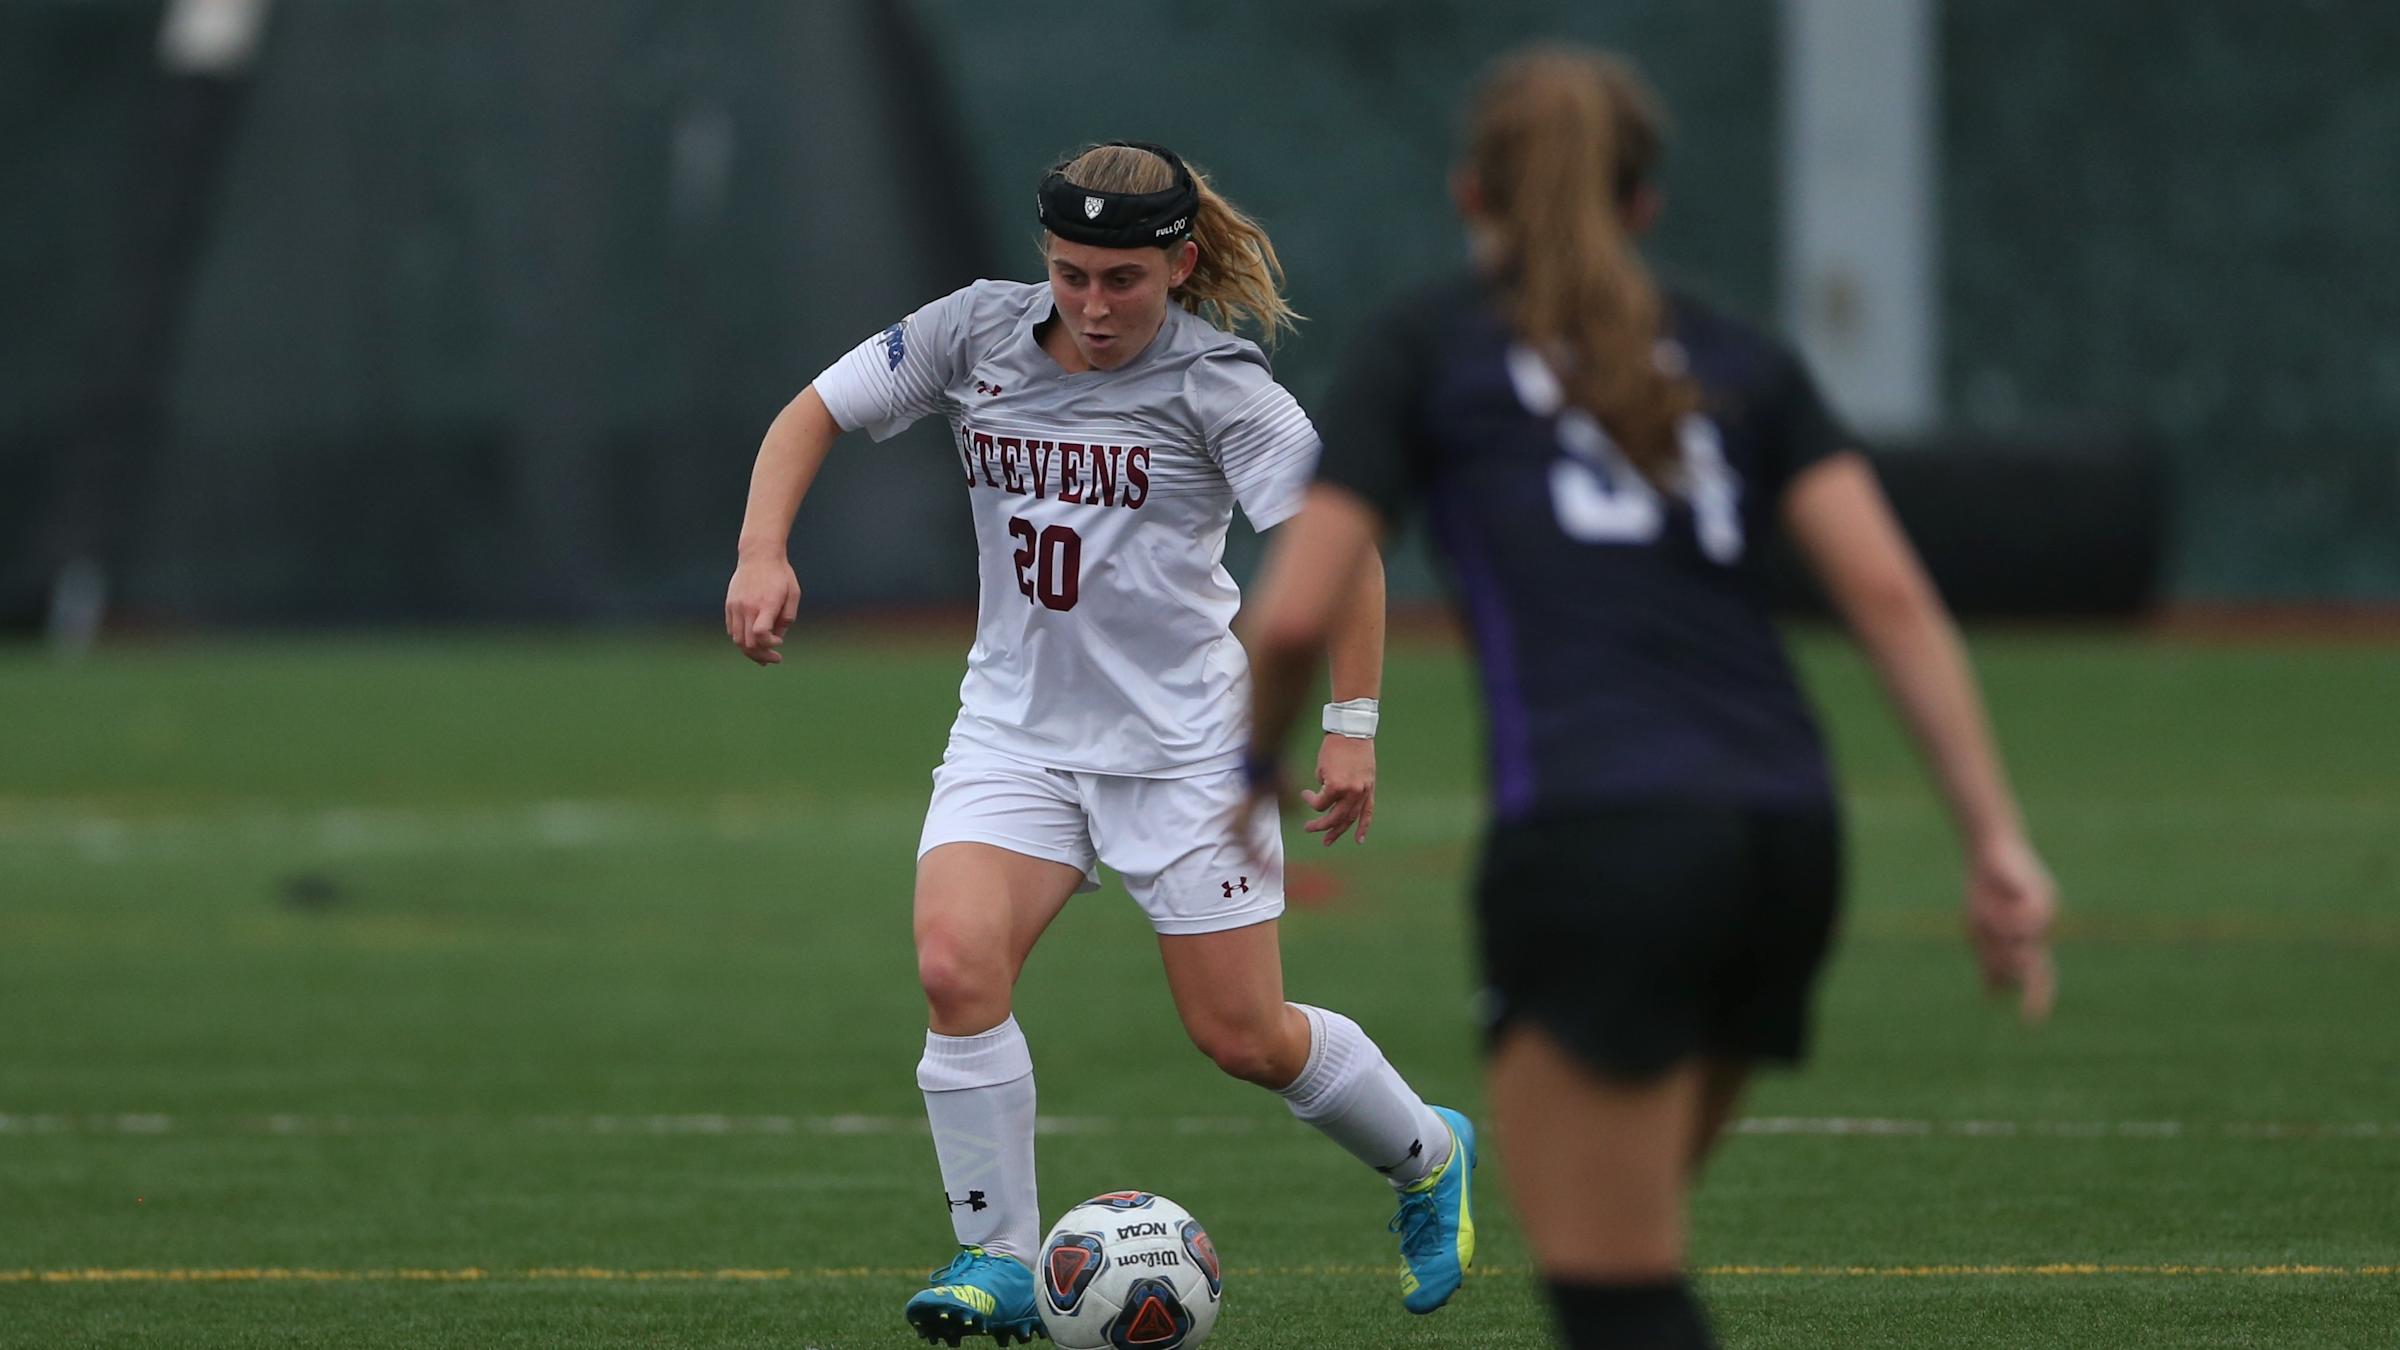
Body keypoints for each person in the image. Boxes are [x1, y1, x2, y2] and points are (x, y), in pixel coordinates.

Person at [1236, 48, 2058, 1350]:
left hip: (1601, 834)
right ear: (1644, 207)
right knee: (1634, 1245)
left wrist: (1248, 768)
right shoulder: (1740, 356)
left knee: (1616, 1294)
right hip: (1790, 835)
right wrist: (1996, 841)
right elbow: (1892, 599)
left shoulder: (1429, 346)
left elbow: (1291, 609)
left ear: (1470, 194)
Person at [724, 142, 1478, 1346]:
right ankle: (1001, 1259)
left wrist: (1353, 726)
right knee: (953, 966)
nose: (1092, 303)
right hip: (1014, 737)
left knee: (1244, 1037)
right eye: (1071, 273)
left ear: (1179, 264)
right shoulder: (974, 331)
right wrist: (764, 551)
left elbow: (1347, 550)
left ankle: (1429, 1155)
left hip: (1184, 755)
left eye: (1122, 278)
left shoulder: (1223, 388)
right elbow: (809, 414)